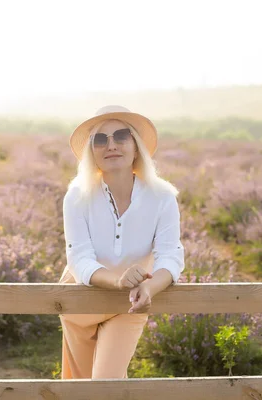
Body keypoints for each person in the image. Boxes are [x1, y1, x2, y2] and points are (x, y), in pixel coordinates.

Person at [58, 105, 185, 379]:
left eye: (121, 136)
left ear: (136, 146)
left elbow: (171, 256)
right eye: (100, 139)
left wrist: (149, 288)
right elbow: (78, 258)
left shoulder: (162, 197)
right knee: (79, 389)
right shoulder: (77, 196)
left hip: (132, 301)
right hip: (82, 301)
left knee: (106, 384)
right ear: (92, 151)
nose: (111, 145)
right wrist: (117, 281)